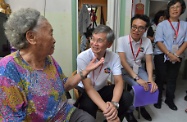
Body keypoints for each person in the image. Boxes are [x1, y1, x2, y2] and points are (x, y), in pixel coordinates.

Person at [0, 8, 105, 122]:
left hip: (65, 113)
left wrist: (85, 71)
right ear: (31, 37)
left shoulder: (48, 59)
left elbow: (64, 85)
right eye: (50, 33)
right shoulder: (8, 70)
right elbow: (12, 119)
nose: (54, 40)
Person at [77, 25, 133, 122]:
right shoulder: (82, 57)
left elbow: (119, 82)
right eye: (92, 39)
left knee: (127, 97)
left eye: (99, 40)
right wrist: (108, 110)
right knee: (88, 107)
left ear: (109, 44)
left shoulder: (114, 57)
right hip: (86, 90)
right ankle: (113, 118)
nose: (94, 43)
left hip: (101, 89)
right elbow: (89, 88)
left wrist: (114, 104)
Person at [116, 14, 158, 121]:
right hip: (123, 70)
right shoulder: (122, 40)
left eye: (140, 28)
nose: (136, 30)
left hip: (138, 68)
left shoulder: (147, 41)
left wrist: (150, 79)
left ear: (145, 30)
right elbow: (123, 62)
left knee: (148, 84)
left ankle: (141, 106)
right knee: (138, 86)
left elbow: (148, 61)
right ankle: (129, 111)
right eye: (134, 26)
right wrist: (137, 78)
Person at [153, 0, 187, 110]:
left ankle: (169, 100)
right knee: (160, 77)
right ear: (168, 9)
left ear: (182, 9)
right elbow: (158, 41)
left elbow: (186, 42)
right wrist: (169, 54)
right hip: (161, 54)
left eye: (178, 7)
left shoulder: (185, 25)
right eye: (172, 7)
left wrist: (175, 54)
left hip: (177, 55)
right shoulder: (162, 25)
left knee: (172, 78)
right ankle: (157, 99)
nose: (175, 9)